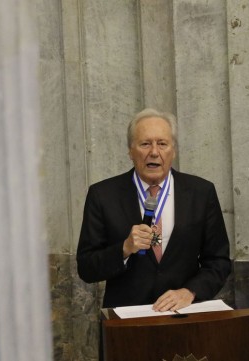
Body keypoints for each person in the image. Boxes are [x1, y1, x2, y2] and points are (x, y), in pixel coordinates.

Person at [76, 108, 231, 358]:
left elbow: (219, 261)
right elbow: (86, 267)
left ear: (173, 150)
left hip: (185, 324)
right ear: (130, 150)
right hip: (127, 329)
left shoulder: (201, 193)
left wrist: (189, 291)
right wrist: (124, 249)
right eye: (145, 143)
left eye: (162, 143)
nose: (154, 152)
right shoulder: (102, 195)